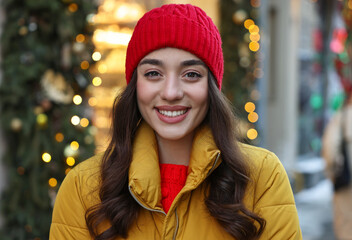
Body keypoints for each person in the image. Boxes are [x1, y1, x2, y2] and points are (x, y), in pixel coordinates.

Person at [50, 4, 302, 240]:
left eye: (191, 74)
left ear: (211, 87)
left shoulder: (262, 177)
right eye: (153, 74)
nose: (171, 92)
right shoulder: (84, 188)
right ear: (135, 86)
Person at [323, 80, 352, 239]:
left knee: (349, 232)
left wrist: (335, 176)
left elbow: (330, 151)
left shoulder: (343, 117)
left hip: (349, 188)